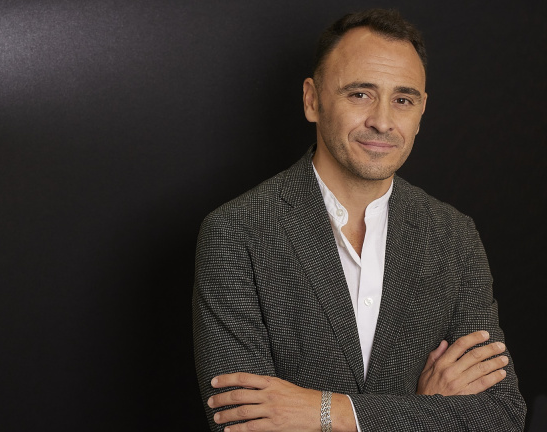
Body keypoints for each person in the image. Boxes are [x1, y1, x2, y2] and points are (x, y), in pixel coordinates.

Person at [192, 8, 526, 432]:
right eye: (360, 94)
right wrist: (425, 409)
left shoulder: (454, 236)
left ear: (421, 111)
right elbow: (242, 425)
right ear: (312, 100)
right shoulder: (236, 232)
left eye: (402, 100)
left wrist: (325, 412)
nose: (382, 122)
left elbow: (501, 415)